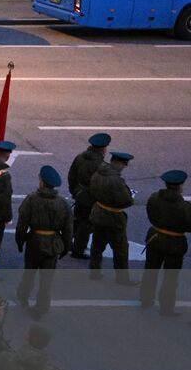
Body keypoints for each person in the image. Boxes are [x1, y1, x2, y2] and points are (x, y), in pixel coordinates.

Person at [14, 166, 73, 320]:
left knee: (29, 273)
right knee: (46, 280)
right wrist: (66, 247)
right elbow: (68, 229)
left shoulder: (32, 199)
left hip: (34, 242)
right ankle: (41, 308)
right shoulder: (63, 203)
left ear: (41, 182)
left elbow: (22, 224)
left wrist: (20, 241)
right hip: (53, 245)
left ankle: (23, 296)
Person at [140, 169, 189, 315]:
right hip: (174, 243)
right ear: (180, 186)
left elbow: (150, 212)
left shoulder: (154, 197)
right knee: (170, 277)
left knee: (150, 270)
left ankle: (146, 299)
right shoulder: (184, 207)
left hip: (155, 237)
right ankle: (166, 307)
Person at [88, 151, 137, 285]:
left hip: (98, 212)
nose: (124, 167)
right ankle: (122, 279)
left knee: (97, 245)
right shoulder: (116, 180)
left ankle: (94, 271)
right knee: (120, 249)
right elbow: (127, 200)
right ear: (119, 163)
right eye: (124, 165)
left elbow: (92, 190)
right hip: (113, 218)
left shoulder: (98, 173)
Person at [67, 133, 110, 259]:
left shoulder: (80, 157)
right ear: (103, 148)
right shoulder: (101, 165)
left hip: (79, 193)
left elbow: (72, 175)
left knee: (76, 220)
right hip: (91, 197)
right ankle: (78, 249)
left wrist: (74, 191)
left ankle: (67, 243)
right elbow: (101, 185)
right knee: (86, 225)